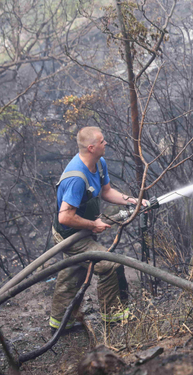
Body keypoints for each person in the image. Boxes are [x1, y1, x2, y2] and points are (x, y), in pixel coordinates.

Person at [49, 126, 146, 331]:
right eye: (102, 141)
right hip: (70, 235)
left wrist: (134, 202)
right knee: (109, 265)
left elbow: (107, 192)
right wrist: (94, 224)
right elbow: (65, 216)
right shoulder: (76, 178)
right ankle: (114, 318)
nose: (106, 144)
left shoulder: (99, 163)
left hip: (83, 231)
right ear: (91, 147)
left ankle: (60, 322)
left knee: (73, 270)